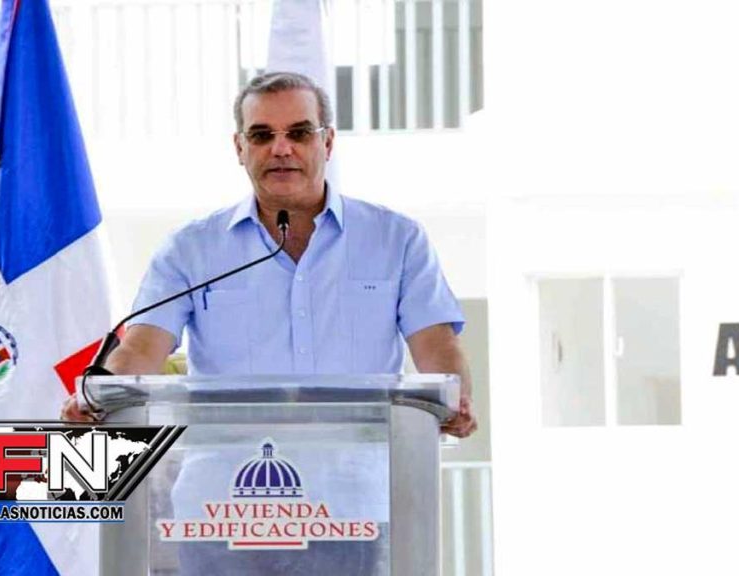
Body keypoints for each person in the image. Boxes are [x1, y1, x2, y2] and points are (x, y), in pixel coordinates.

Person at [61, 71, 476, 438]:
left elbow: (437, 346)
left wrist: (456, 400)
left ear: (327, 142)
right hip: (227, 489)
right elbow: (141, 349)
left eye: (299, 133)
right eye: (261, 135)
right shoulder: (189, 250)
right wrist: (98, 394)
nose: (281, 148)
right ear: (239, 148)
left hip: (360, 484)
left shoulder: (396, 240)